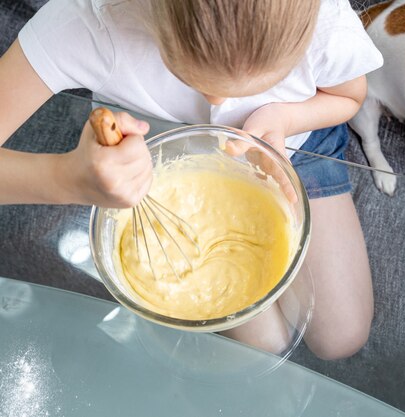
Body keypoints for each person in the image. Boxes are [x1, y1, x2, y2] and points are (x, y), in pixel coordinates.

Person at [0, 0, 383, 359]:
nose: (218, 102)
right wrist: (65, 178)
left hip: (294, 150)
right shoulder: (89, 23)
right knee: (266, 345)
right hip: (157, 166)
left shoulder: (327, 24)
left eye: (262, 82)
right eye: (188, 75)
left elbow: (348, 96)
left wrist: (283, 119)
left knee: (341, 339)